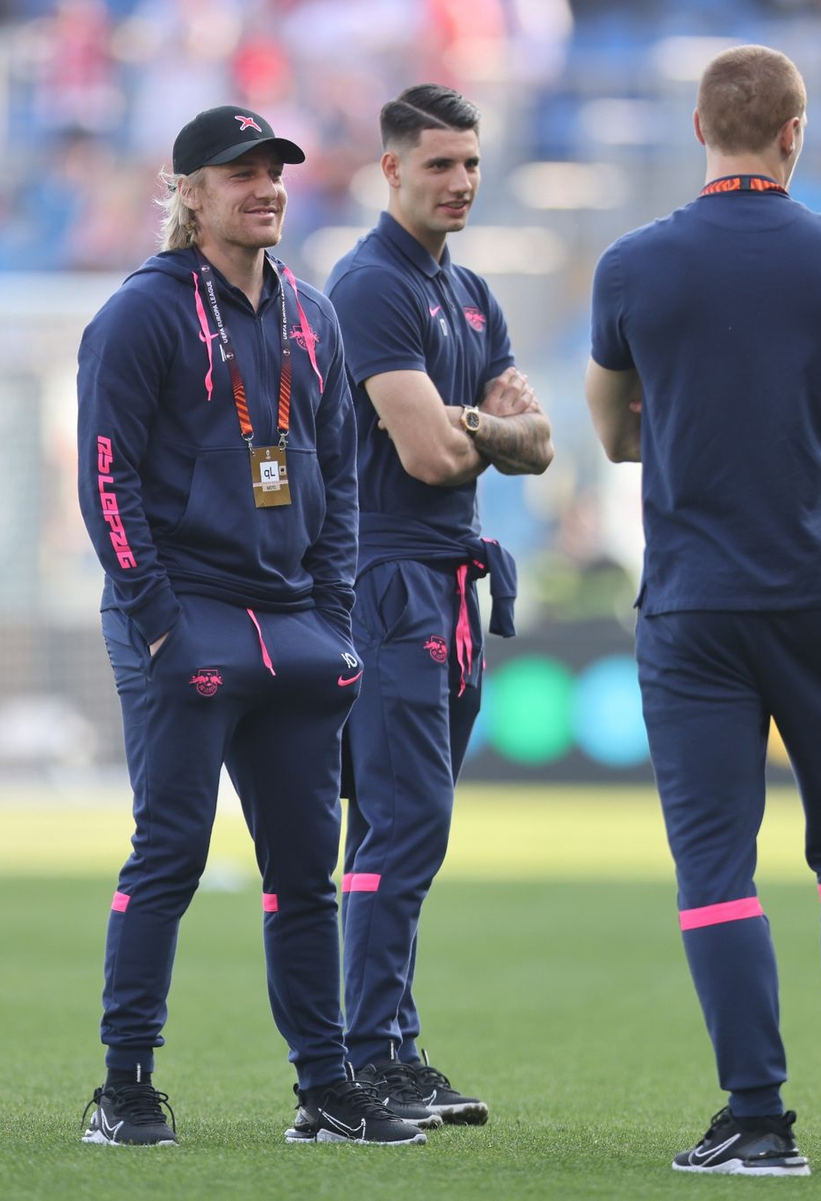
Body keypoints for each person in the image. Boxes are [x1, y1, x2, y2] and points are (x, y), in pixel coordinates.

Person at [586, 45, 821, 1176]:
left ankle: (757, 1117)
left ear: (698, 130)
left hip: (694, 604)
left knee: (718, 867)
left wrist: (687, 420)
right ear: (795, 132)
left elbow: (614, 432)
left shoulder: (632, 267)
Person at [77, 105, 422, 1147]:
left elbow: (343, 479)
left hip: (294, 628)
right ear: (186, 192)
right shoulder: (141, 314)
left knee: (304, 875)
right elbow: (106, 480)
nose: (264, 186)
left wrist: (331, 614)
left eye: (273, 170)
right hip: (185, 616)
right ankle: (125, 1086)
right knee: (170, 855)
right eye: (239, 173)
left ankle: (325, 1088)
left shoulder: (315, 314)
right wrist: (157, 627)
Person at [324, 84, 554, 1128]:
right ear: (392, 170)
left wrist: (469, 422)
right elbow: (427, 454)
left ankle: (390, 1047)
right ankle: (366, 1056)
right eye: (439, 166)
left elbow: (540, 443)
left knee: (394, 821)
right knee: (403, 822)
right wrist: (476, 425)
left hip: (450, 580)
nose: (460, 182)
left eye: (469, 163)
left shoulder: (472, 295)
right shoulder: (370, 284)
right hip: (389, 581)